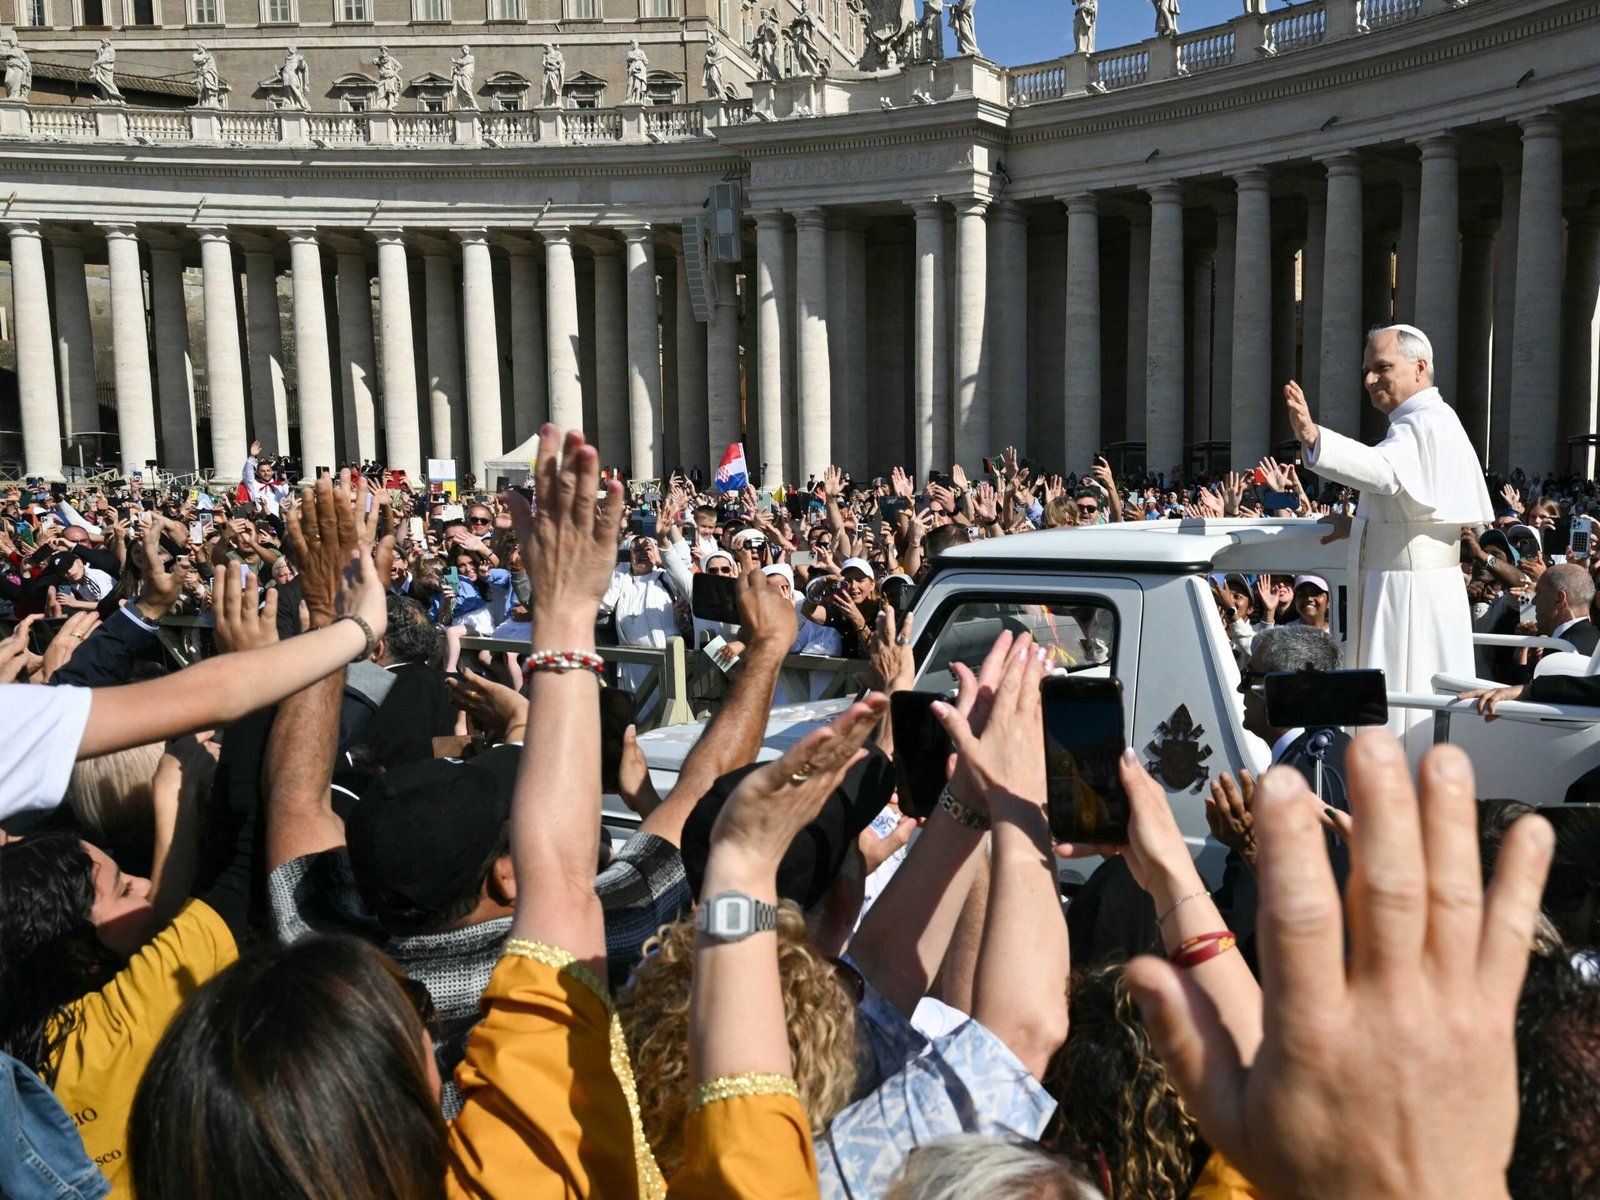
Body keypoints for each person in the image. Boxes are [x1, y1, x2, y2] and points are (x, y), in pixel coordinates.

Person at [1285, 324, 1494, 753]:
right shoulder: (1423, 421)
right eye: (1366, 370)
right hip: (1414, 589)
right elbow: (1410, 510)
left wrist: (1313, 436)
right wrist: (1357, 525)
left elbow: (1384, 472)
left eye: (1382, 367)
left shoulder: (1425, 422)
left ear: (1420, 368)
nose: (1368, 380)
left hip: (1408, 595)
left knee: (1402, 702)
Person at [241, 440, 291, 515]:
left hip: (277, 521)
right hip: (261, 520)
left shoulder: (278, 486)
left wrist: (284, 483)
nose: (266, 473)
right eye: (262, 471)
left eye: (268, 470)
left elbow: (286, 499)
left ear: (272, 472)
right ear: (257, 473)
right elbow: (247, 474)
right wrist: (252, 456)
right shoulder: (253, 484)